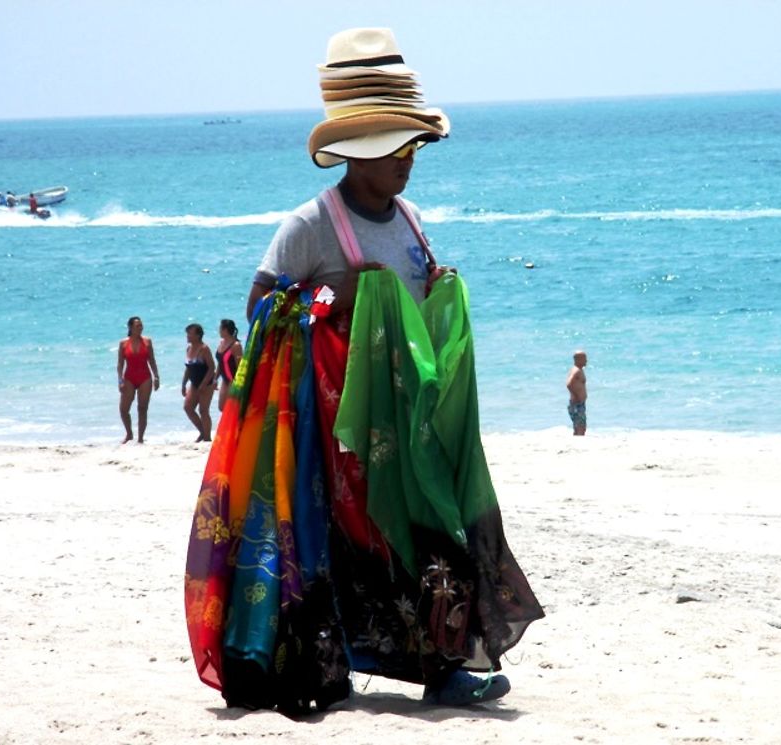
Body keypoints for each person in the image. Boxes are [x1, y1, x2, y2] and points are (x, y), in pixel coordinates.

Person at [185, 28, 543, 715]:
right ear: (359, 151)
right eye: (396, 147)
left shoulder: (410, 219)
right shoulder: (309, 225)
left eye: (413, 145)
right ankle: (348, 665)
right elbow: (262, 307)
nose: (410, 160)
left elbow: (410, 303)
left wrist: (436, 287)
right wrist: (338, 297)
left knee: (432, 534)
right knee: (351, 551)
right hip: (336, 427)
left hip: (405, 419)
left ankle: (446, 668)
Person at [116, 316, 160, 444]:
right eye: (137, 326)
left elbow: (152, 360)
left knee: (142, 408)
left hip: (145, 377)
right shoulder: (123, 343)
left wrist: (156, 376)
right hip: (129, 377)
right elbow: (120, 364)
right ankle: (129, 434)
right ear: (130, 327)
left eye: (141, 325)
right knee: (124, 409)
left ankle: (140, 438)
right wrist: (120, 380)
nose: (140, 328)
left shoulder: (147, 342)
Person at [182, 323, 216, 442]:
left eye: (190, 334)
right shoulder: (189, 348)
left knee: (203, 410)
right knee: (188, 407)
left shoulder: (204, 349)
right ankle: (202, 431)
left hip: (206, 383)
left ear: (197, 335)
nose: (187, 336)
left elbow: (212, 367)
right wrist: (183, 384)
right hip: (194, 383)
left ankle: (207, 437)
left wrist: (203, 384)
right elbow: (188, 368)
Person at [215, 319, 242, 412]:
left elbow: (240, 366)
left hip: (233, 380)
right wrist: (215, 379)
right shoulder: (221, 343)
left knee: (231, 409)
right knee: (222, 407)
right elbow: (220, 362)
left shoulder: (236, 345)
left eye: (220, 328)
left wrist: (239, 384)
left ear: (225, 330)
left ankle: (235, 426)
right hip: (224, 380)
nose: (219, 331)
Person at [566, 350, 588, 436]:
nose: (586, 361)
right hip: (577, 404)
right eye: (584, 359)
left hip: (577, 403)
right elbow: (569, 384)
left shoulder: (577, 370)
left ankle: (576, 442)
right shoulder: (576, 371)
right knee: (580, 427)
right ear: (578, 360)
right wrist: (576, 395)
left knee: (578, 426)